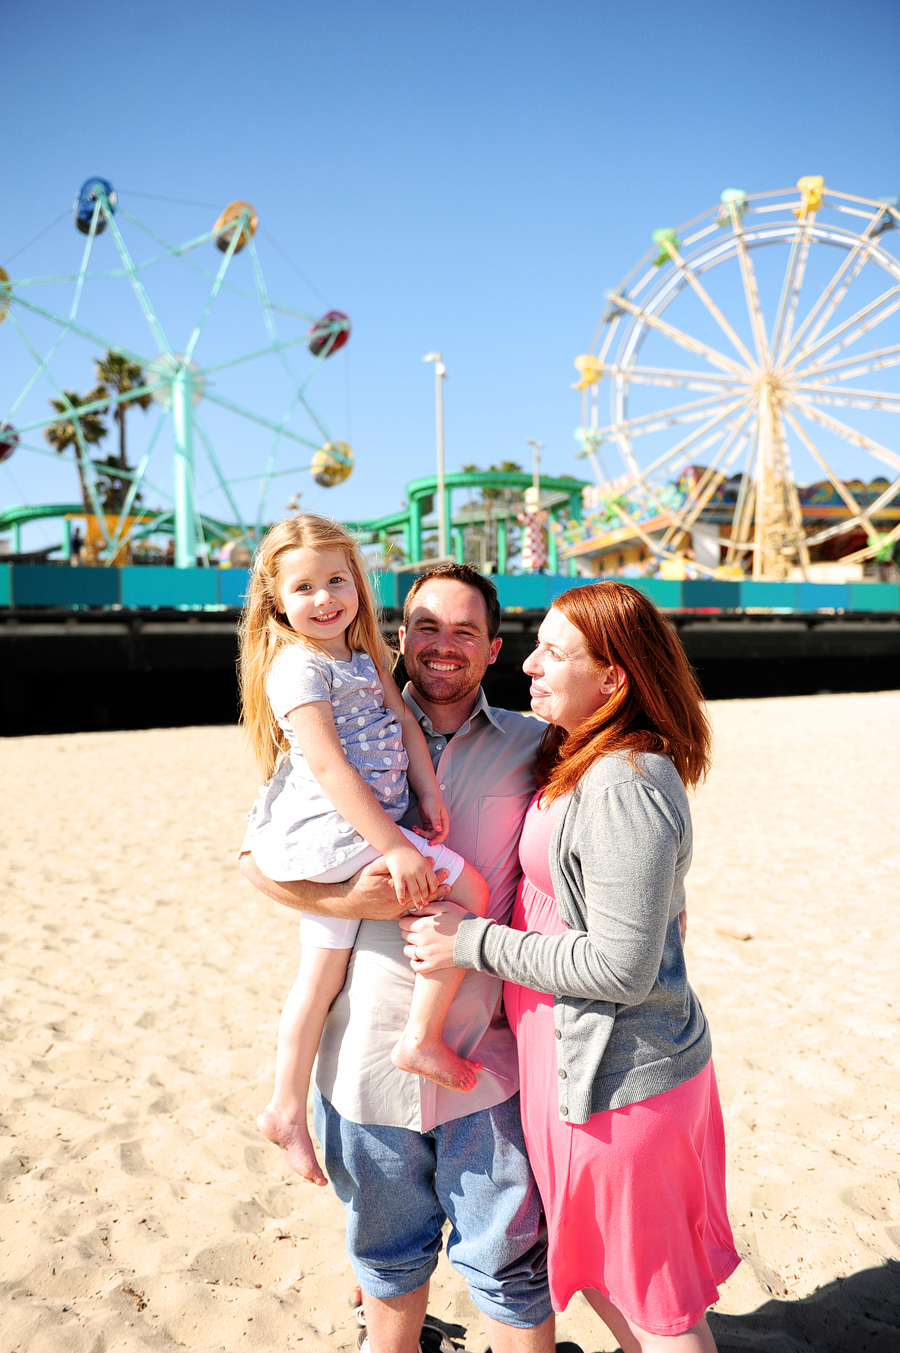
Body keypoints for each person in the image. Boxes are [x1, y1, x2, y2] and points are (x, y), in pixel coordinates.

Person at [401, 582, 741, 1353]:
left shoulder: (623, 780)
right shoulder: (578, 757)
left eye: (554, 651)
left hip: (621, 1084)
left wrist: (471, 940)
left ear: (614, 677)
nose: (527, 663)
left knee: (657, 1301)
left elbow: (622, 965)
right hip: (572, 1067)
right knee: (600, 1271)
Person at [240, 563, 555, 1353]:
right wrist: (350, 903)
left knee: (512, 1270)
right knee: (387, 1265)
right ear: (398, 636)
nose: (442, 646)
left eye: (464, 632)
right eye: (426, 627)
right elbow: (256, 859)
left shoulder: (537, 744)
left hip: (484, 1061)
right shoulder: (339, 726)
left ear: (493, 650)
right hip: (361, 1066)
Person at [239, 518, 489, 1186]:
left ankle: (286, 1106)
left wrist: (428, 790)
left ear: (357, 582)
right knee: (473, 894)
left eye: (335, 580)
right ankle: (420, 1036)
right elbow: (326, 767)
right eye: (303, 587)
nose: (323, 598)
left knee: (317, 979)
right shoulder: (297, 667)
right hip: (339, 833)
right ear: (276, 601)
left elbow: (404, 722)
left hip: (354, 832)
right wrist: (395, 845)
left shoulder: (363, 655)